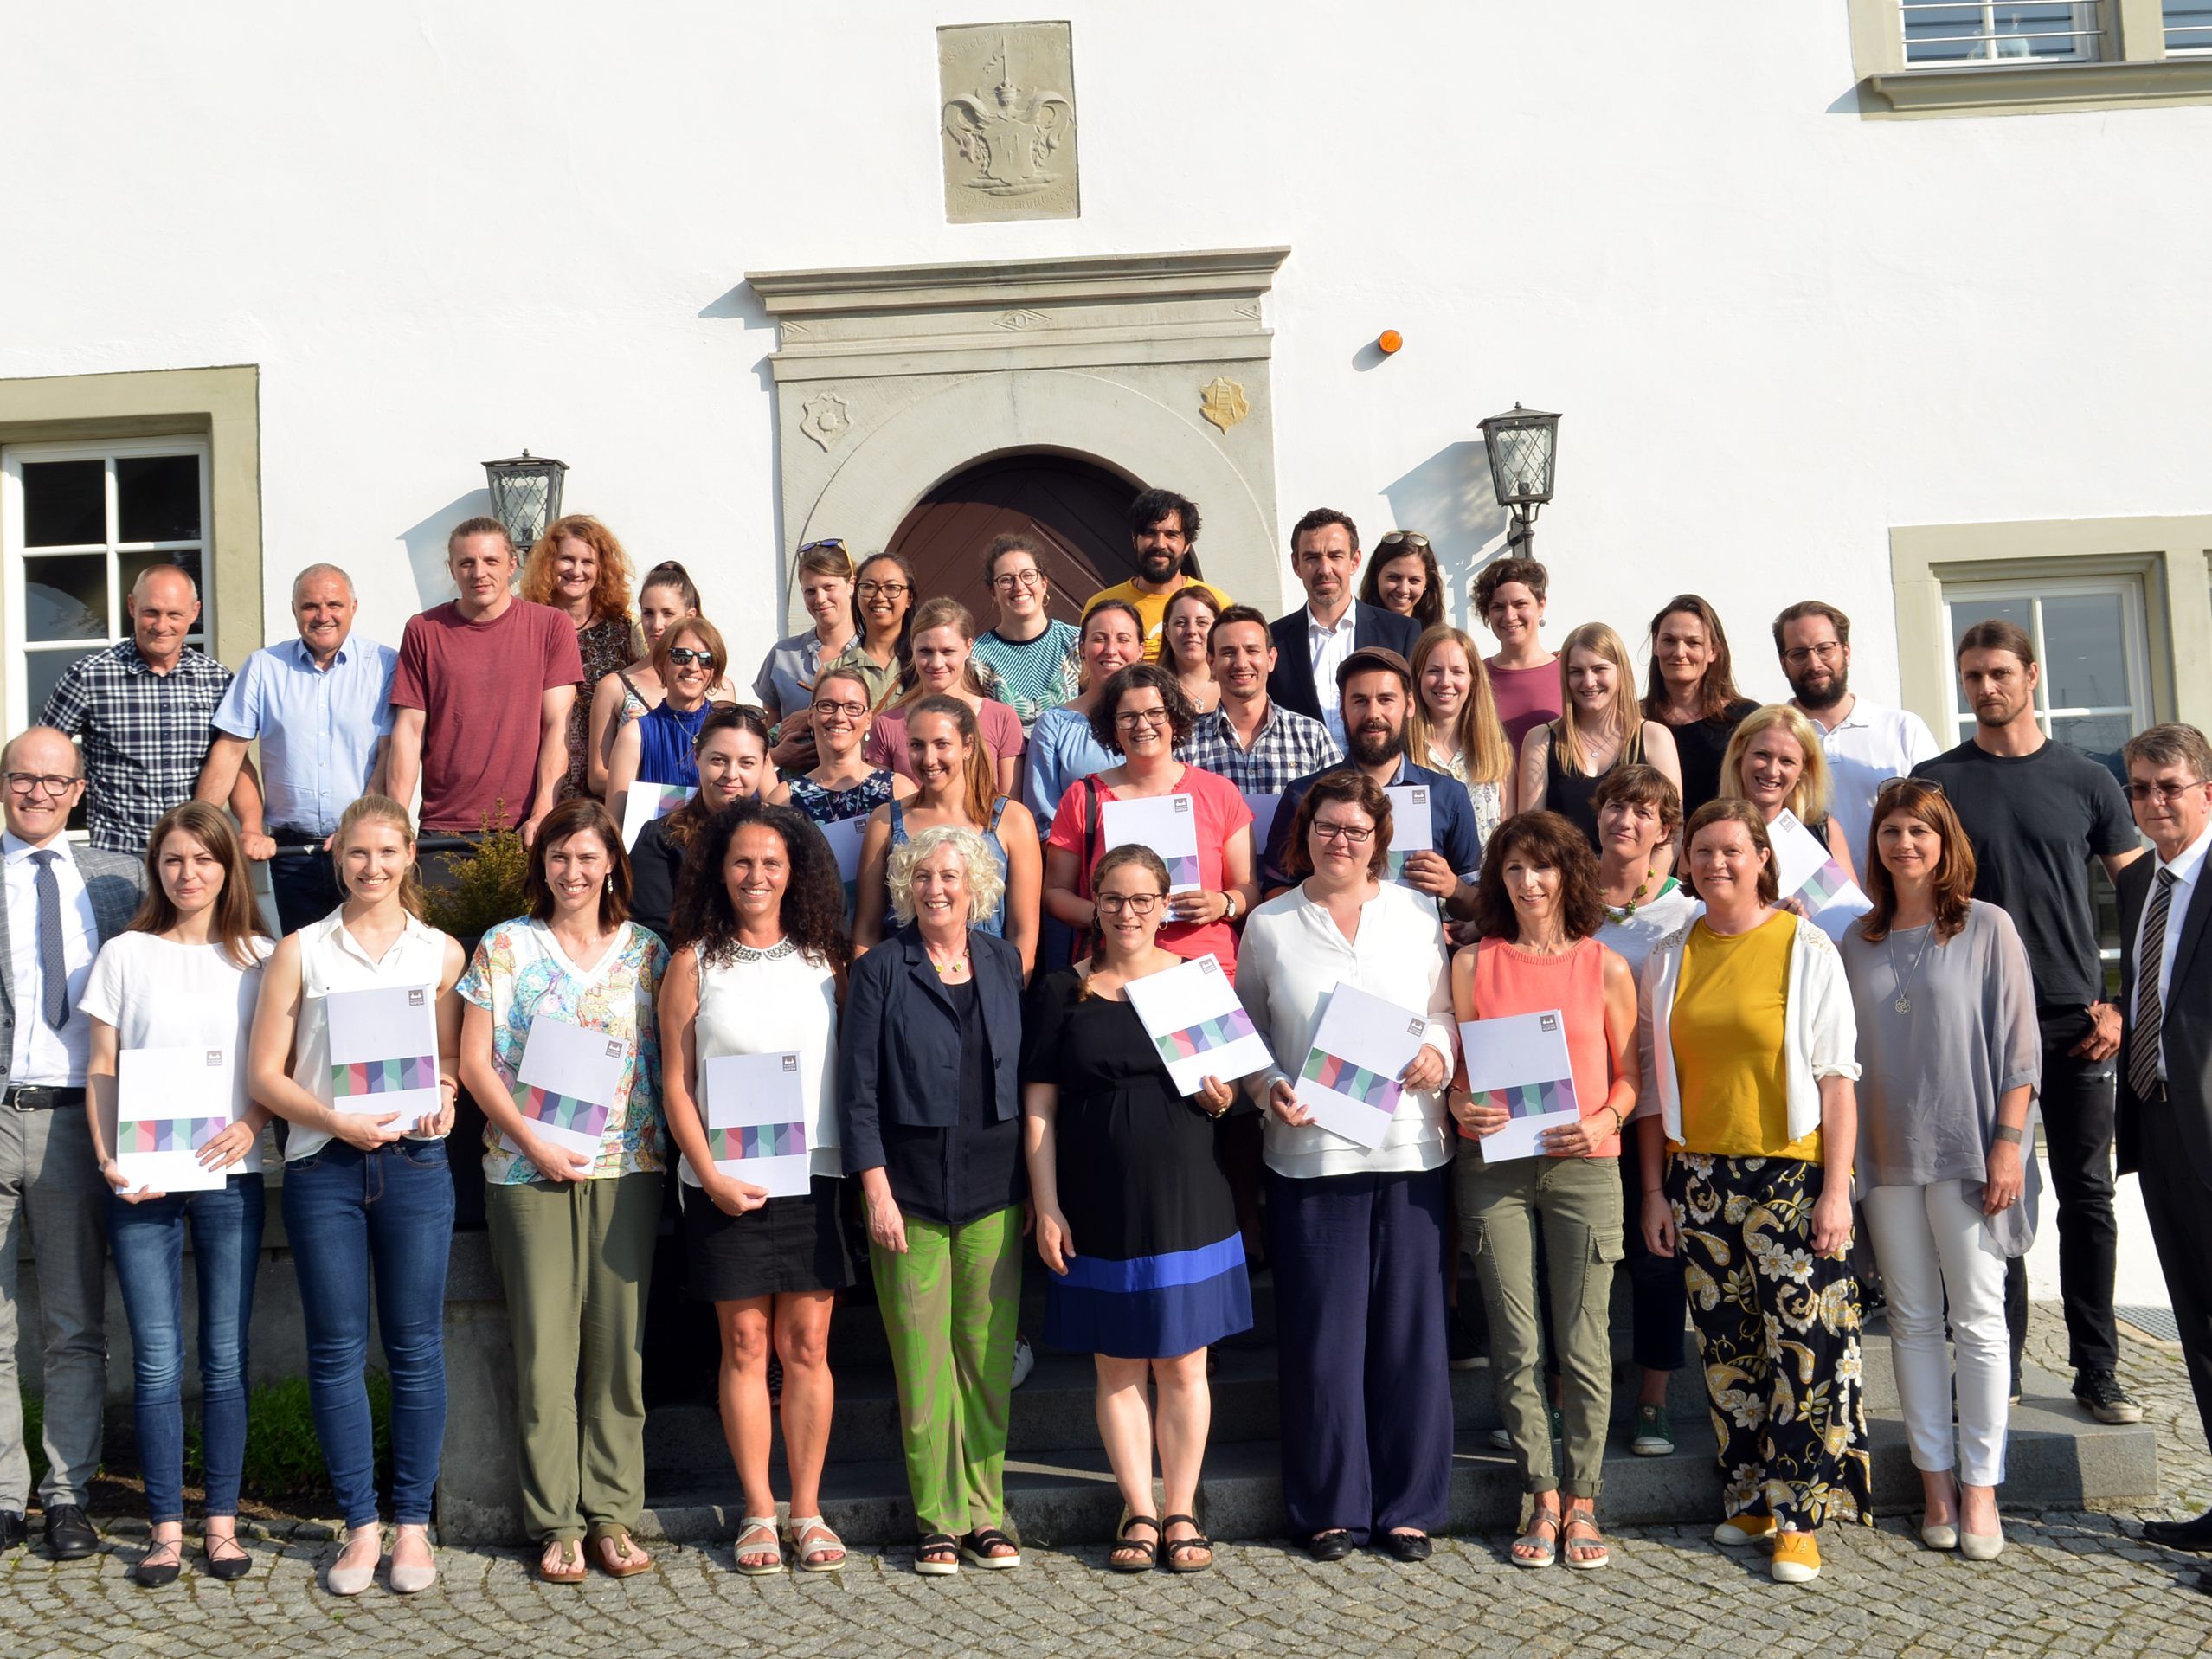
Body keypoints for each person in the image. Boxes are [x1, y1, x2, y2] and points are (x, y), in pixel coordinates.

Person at [1913, 618, 2144, 1425]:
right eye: (1972, 674)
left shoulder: (2089, 779)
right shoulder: (1937, 781)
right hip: (1977, 1023)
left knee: (2088, 1194)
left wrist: (2123, 1000)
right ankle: (1997, 1362)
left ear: (2033, 674)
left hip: (2077, 1018)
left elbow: (2140, 897)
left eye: (1999, 672)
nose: (1985, 686)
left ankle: (2097, 1368)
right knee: (1992, 1194)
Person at [1639, 800, 1868, 1584]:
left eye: (1731, 850)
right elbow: (1650, 1085)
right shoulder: (1670, 952)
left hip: (1789, 1176)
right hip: (1699, 1175)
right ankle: (1750, 1496)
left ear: (1762, 858)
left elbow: (1839, 1080)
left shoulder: (1805, 946)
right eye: (1700, 852)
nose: (1715, 864)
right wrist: (1655, 1190)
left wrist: (1836, 1191)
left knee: (1801, 1351)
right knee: (1729, 1348)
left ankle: (1800, 1515)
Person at [247, 794, 464, 1597]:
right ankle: (359, 1526)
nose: (372, 867)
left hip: (414, 1167)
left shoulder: (441, 953)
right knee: (336, 1352)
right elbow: (263, 1074)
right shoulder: (300, 951)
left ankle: (412, 1524)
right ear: (338, 856)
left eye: (388, 852)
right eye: (358, 853)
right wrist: (334, 1118)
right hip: (323, 1169)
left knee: (416, 1348)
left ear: (411, 855)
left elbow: (449, 1060)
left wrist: (444, 1093)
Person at [1235, 773, 1456, 1562]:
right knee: (1323, 1339)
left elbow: (1443, 1008)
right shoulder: (1268, 925)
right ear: (1306, 831)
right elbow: (1249, 1037)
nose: (1341, 842)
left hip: (1410, 1148)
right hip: (1308, 1154)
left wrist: (1438, 1051)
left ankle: (1409, 1505)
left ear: (1380, 839)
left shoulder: (1416, 913)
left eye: (1357, 831)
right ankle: (1330, 1505)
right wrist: (1269, 1088)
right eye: (1327, 827)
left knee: (1409, 1335)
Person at [1022, 845, 1254, 1573]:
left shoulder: (1194, 981)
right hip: (1095, 1199)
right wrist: (1047, 1203)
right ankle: (1138, 1508)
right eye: (1114, 899)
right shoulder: (1063, 989)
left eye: (1142, 899)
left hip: (1189, 1191)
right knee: (1118, 1365)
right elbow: (1039, 1108)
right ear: (1095, 903)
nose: (1128, 912)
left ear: (1163, 905)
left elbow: (1233, 1090)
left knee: (1185, 1362)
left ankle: (1182, 1508)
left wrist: (1227, 1094)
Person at [455, 798, 669, 1585]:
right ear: (540, 863)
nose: (572, 871)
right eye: (558, 856)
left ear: (612, 861)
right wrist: (531, 1140)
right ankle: (556, 1521)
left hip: (626, 1166)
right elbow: (473, 1061)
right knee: (546, 1351)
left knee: (619, 1351)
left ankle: (613, 1512)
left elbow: (667, 1063)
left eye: (586, 856)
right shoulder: (505, 946)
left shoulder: (649, 952)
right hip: (523, 1166)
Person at [1841, 778, 2038, 1563]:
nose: (1905, 845)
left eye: (1919, 831)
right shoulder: (1857, 938)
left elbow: (2021, 1047)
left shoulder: (1987, 927)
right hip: (1886, 1154)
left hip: (1968, 1151)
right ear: (1877, 844)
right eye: (1891, 831)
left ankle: (1984, 1485)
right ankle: (1936, 1482)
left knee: (1981, 1320)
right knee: (1915, 1322)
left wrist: (2007, 1143)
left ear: (1944, 840)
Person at [658, 799, 855, 1577]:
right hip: (724, 1179)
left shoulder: (826, 959)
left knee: (806, 1346)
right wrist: (706, 1172)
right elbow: (674, 1083)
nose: (757, 875)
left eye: (772, 862)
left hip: (814, 1174)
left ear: (794, 870)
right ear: (719, 869)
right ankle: (759, 1511)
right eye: (742, 861)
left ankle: (806, 1508)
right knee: (742, 1346)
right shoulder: (693, 960)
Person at [78, 802, 270, 1586]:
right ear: (155, 870)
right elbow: (101, 1064)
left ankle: (219, 1524)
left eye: (203, 859)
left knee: (225, 1357)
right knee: (157, 1359)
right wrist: (104, 1154)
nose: (188, 874)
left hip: (231, 1175)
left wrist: (255, 1122)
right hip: (144, 1178)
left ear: (229, 866)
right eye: (172, 861)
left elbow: (278, 1061)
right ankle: (164, 1526)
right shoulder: (125, 952)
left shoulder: (260, 954)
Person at [1450, 811, 1636, 1571]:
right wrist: (1459, 1104)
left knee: (1584, 1338)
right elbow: (1457, 1073)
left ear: (1569, 875)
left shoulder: (1606, 965)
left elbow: (1634, 1077)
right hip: (1493, 1164)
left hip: (1585, 1165)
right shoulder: (1470, 964)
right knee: (1517, 1336)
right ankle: (1540, 1493)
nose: (1530, 882)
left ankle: (1585, 1495)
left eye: (1544, 867)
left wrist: (1602, 1120)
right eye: (1515, 869)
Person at [840, 827, 1027, 1576]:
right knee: (922, 1362)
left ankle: (987, 1511)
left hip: (994, 1185)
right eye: (922, 876)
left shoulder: (1003, 960)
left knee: (984, 1358)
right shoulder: (881, 968)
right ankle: (938, 1519)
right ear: (904, 887)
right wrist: (874, 1186)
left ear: (977, 885)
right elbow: (855, 1093)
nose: (936, 887)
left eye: (950, 875)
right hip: (908, 1190)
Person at [0, 726, 146, 1562]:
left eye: (55, 781)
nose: (39, 793)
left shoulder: (119, 881)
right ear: (5, 783)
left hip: (71, 1123)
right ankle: (4, 1493)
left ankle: (66, 1494)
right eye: (24, 778)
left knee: (71, 1324)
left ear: (80, 788)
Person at [2113, 725, 2212, 1559]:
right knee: (2200, 1325)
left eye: (2169, 786)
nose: (2154, 801)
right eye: (2140, 788)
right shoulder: (2142, 875)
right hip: (2160, 1123)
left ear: (2205, 790)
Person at [195, 563, 398, 934]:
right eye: (310, 607)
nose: (323, 616)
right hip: (291, 853)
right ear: (294, 610)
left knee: (370, 954)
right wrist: (204, 829)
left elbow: (390, 754)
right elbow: (230, 751)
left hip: (363, 847)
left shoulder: (385, 665)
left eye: (334, 605)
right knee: (303, 962)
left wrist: (356, 826)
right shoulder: (263, 667)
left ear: (354, 606)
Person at [1590, 766, 1699, 1457]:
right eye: (1613, 807)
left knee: (1657, 1259)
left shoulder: (1688, 910)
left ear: (1665, 829)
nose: (1624, 820)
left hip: (1662, 1107)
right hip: (1582, 1103)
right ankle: (1575, 1393)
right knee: (1579, 1262)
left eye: (1642, 810)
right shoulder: (1571, 897)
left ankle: (1653, 1400)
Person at [1043, 664, 1257, 976]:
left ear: (1174, 717)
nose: (1142, 725)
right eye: (1128, 717)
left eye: (1155, 713)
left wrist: (1223, 903)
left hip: (1204, 969)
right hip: (1115, 972)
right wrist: (1110, 914)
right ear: (1113, 727)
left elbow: (1248, 888)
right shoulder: (1083, 796)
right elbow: (1055, 894)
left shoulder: (1219, 792)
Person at [384, 517, 584, 846]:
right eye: (467, 563)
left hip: (522, 829)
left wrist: (543, 812)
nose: (479, 573)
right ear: (452, 569)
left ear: (512, 565)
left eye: (491, 560)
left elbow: (557, 726)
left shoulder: (551, 626)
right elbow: (409, 731)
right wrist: (396, 824)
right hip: (443, 826)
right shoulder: (424, 630)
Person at [1259, 649, 1483, 923]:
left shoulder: (1448, 795)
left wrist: (1453, 888)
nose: (1373, 713)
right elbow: (1274, 889)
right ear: (1343, 710)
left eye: (1386, 700)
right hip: (1327, 952)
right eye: (1360, 701)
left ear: (1410, 706)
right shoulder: (1302, 795)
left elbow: (1477, 906)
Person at [39, 564, 241, 854]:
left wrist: (250, 827)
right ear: (132, 606)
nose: (161, 625)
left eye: (174, 614)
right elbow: (41, 758)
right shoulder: (89, 677)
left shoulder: (218, 681)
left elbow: (236, 761)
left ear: (194, 612)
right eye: (151, 612)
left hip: (190, 859)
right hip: (118, 859)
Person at [855, 696, 1041, 974]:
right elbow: (867, 929)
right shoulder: (885, 821)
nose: (929, 759)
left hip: (986, 988)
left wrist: (1007, 999)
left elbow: (1023, 932)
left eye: (942, 744)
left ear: (967, 746)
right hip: (902, 990)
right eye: (917, 745)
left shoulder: (1013, 820)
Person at [1775, 599, 1940, 871]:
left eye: (1825, 649)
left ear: (1847, 652)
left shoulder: (1902, 729)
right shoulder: (1771, 739)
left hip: (1896, 908)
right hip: (1803, 907)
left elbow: (1935, 824)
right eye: (1799, 653)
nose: (1814, 663)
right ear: (1784, 663)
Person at [1518, 622, 1682, 851]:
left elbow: (1672, 834)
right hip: (1564, 884)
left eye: (1599, 669)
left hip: (1638, 884)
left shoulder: (1654, 737)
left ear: (1620, 670)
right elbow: (1530, 834)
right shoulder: (1541, 740)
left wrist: (1647, 886)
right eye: (1577, 672)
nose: (1588, 682)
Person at [1266, 508, 1421, 746]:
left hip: (1379, 780)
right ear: (1296, 565)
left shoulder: (1401, 633)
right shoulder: (1274, 639)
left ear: (1354, 561)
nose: (1325, 569)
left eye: (1335, 556)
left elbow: (1415, 718)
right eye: (1312, 558)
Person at [587, 561, 736, 799]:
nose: (656, 625)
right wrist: (666, 793)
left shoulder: (721, 687)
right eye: (648, 613)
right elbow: (597, 777)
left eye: (668, 613)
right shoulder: (615, 686)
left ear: (690, 616)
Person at [628, 706, 775, 943]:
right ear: (697, 758)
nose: (731, 774)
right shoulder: (661, 839)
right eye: (718, 760)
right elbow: (652, 934)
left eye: (746, 763)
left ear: (764, 764)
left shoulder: (789, 834)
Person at [522, 514, 637, 801]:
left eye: (587, 562)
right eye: (567, 560)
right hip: (537, 778)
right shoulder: (528, 626)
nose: (576, 570)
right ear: (549, 564)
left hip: (606, 777)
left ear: (601, 569)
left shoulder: (623, 629)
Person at [865, 598, 1026, 796]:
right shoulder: (887, 724)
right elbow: (880, 804)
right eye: (926, 651)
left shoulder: (1001, 718)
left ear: (968, 648)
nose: (936, 663)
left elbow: (1011, 804)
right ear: (912, 648)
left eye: (948, 651)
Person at [1177, 603, 1341, 794]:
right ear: (1212, 663)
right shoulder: (1186, 742)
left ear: (1271, 659)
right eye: (1228, 652)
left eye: (1252, 650)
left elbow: (1341, 808)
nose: (1241, 663)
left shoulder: (1312, 737)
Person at [1021, 596, 1144, 832]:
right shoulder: (1054, 725)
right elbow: (1044, 821)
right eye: (1099, 639)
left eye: (1123, 639)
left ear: (1141, 649)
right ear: (1082, 649)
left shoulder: (1162, 722)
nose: (1111, 650)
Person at [1642, 595, 1758, 821]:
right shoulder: (1632, 720)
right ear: (1656, 645)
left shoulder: (1745, 720)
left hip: (1720, 851)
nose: (1679, 652)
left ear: (1713, 651)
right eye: (1669, 640)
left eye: (1693, 642)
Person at [1085, 488, 1230, 664]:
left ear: (1186, 545)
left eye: (1171, 535)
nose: (1160, 544)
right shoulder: (1101, 606)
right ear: (1134, 539)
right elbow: (1084, 674)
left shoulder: (1217, 604)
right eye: (1150, 533)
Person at [606, 617, 730, 820]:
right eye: (682, 656)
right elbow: (616, 823)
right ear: (662, 662)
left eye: (706, 659)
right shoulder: (635, 735)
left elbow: (772, 804)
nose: (693, 666)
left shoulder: (733, 729)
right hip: (657, 850)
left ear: (715, 669)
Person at [1719, 704, 1858, 880]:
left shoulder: (1823, 830)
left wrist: (1798, 906)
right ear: (1740, 755)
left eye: (1787, 761)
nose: (1772, 771)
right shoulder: (1708, 828)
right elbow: (1691, 903)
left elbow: (1846, 905)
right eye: (1762, 754)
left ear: (1804, 770)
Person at [769, 665, 915, 830]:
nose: (839, 717)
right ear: (811, 715)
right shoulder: (784, 798)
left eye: (853, 708)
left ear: (868, 720)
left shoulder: (899, 790)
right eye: (827, 705)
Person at [756, 538, 858, 772]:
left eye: (828, 587)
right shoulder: (783, 656)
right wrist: (778, 756)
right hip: (794, 788)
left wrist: (812, 714)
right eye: (810, 591)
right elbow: (769, 735)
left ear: (851, 584)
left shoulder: (873, 653)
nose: (820, 599)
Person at [1409, 624, 1514, 846]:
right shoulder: (1402, 750)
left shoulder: (1496, 749)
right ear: (1417, 678)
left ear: (1473, 679)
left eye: (1457, 671)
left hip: (1483, 880)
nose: (1445, 682)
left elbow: (1508, 834)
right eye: (1434, 671)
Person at [969, 532, 1083, 732]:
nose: (1019, 587)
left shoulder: (1077, 642)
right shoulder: (976, 656)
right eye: (1006, 580)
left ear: (1044, 583)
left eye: (1028, 575)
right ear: (992, 592)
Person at [1475, 556, 1560, 756]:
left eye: (1520, 604)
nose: (1509, 616)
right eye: (1498, 606)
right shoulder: (1475, 676)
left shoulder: (1569, 673)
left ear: (1541, 605)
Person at [825, 551, 915, 711]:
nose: (879, 596)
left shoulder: (926, 662)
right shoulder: (834, 670)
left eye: (892, 588)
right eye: (868, 587)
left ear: (909, 598)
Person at [1359, 530, 1445, 632]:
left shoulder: (1440, 642)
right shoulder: (1353, 631)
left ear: (1427, 582)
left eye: (1414, 580)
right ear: (1375, 576)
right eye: (1394, 577)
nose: (1403, 590)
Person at [1161, 585, 1223, 717]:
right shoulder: (1153, 689)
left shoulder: (1233, 686)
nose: (1191, 631)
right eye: (1181, 623)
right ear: (1167, 631)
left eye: (1201, 622)